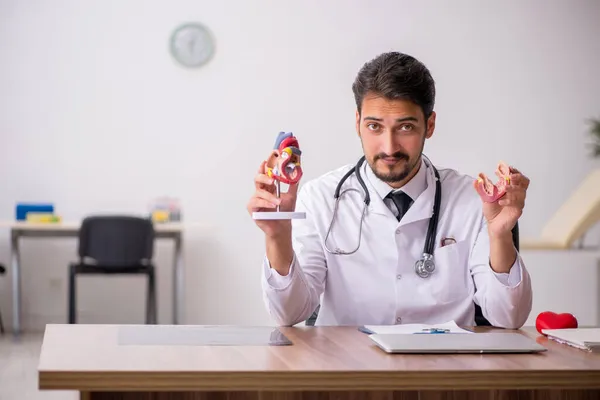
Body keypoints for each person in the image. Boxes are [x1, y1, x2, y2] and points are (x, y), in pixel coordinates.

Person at [247, 51, 532, 329]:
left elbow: (508, 318)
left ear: (429, 125)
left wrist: (499, 235)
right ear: (357, 123)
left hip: (446, 369)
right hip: (349, 368)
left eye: (405, 127)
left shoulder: (472, 200)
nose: (389, 147)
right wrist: (278, 235)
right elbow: (288, 314)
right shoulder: (319, 198)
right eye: (374, 127)